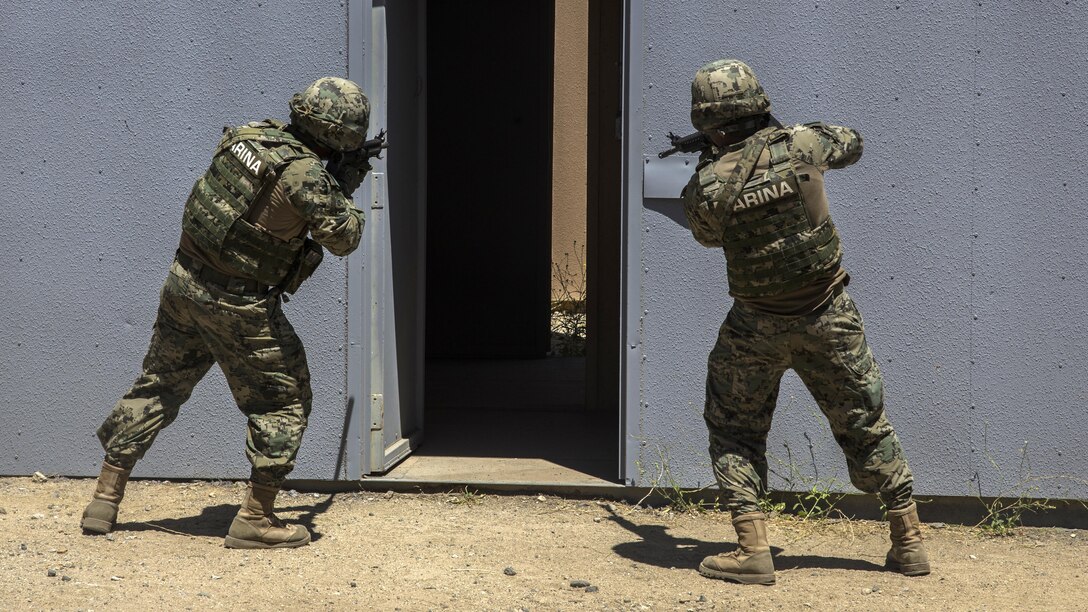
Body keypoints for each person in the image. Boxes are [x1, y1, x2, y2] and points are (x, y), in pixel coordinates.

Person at [81, 77, 374, 549]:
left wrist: (330, 179)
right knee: (285, 401)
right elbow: (344, 238)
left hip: (186, 281)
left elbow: (259, 206)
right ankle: (256, 519)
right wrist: (345, 187)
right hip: (239, 303)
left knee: (159, 384)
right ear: (341, 136)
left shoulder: (248, 136)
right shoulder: (307, 176)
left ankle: (104, 498)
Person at [680, 60, 929, 584]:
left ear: (711, 123)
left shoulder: (707, 183)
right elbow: (853, 143)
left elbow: (704, 233)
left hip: (755, 327)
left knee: (734, 429)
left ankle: (752, 550)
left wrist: (717, 162)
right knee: (863, 422)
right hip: (829, 314)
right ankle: (908, 540)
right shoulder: (803, 145)